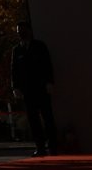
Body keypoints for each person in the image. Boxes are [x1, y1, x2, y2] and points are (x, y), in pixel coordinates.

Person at [11, 20, 58, 156]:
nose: (20, 33)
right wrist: (15, 87)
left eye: (23, 30)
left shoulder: (39, 46)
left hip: (42, 88)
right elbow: (14, 70)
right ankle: (40, 147)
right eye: (19, 31)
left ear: (30, 31)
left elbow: (47, 64)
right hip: (27, 90)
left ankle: (53, 146)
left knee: (48, 117)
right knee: (33, 120)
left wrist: (49, 82)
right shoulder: (17, 50)